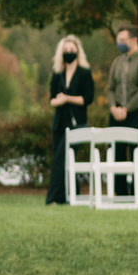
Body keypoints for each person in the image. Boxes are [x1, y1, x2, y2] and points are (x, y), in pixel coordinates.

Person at [107, 24, 138, 197]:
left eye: (122, 40)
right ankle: (120, 193)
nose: (119, 43)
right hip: (117, 113)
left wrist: (127, 109)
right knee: (117, 153)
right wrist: (113, 107)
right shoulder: (117, 62)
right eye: (118, 40)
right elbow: (110, 88)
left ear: (134, 40)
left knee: (137, 153)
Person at [46, 34, 95, 205]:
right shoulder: (57, 74)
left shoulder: (84, 73)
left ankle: (53, 198)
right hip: (60, 123)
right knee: (63, 159)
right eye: (65, 50)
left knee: (63, 158)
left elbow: (88, 98)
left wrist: (68, 98)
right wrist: (59, 101)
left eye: (71, 50)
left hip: (78, 124)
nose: (69, 52)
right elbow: (52, 99)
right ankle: (68, 196)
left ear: (77, 51)